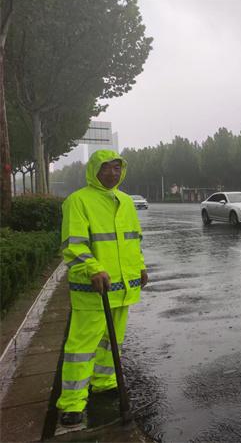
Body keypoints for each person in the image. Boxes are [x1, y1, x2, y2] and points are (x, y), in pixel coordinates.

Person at [57, 149, 148, 426]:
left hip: (123, 287)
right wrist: (93, 269)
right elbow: (73, 244)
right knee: (82, 346)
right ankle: (72, 403)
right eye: (106, 168)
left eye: (117, 168)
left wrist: (141, 267)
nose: (112, 173)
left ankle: (104, 381)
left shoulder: (125, 201)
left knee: (113, 341)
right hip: (93, 289)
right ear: (94, 171)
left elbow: (134, 239)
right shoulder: (78, 201)